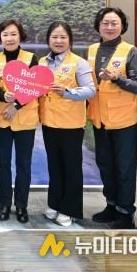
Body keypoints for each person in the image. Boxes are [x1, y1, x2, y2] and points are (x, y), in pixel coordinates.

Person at [87, 7, 137, 229]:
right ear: (98, 26)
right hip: (99, 119)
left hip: (124, 120)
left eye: (114, 23)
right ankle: (111, 205)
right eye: (105, 23)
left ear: (122, 26)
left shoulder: (130, 51)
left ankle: (126, 213)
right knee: (105, 165)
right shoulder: (92, 49)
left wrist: (118, 79)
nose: (109, 27)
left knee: (124, 168)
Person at [39, 21, 95, 227]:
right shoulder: (42, 62)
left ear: (70, 40)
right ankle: (54, 204)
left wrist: (67, 92)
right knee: (54, 166)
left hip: (71, 124)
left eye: (63, 37)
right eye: (54, 37)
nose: (59, 41)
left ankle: (70, 209)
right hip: (48, 122)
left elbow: (91, 90)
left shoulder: (79, 63)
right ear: (48, 40)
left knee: (71, 168)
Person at [0, 19, 39, 224]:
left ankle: (21, 205)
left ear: (20, 36)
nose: (9, 38)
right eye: (5, 35)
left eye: (13, 34)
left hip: (25, 119)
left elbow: (36, 86)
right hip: (1, 119)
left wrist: (16, 105)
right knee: (2, 164)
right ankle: (4, 204)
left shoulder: (31, 58)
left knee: (23, 164)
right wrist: (4, 96)